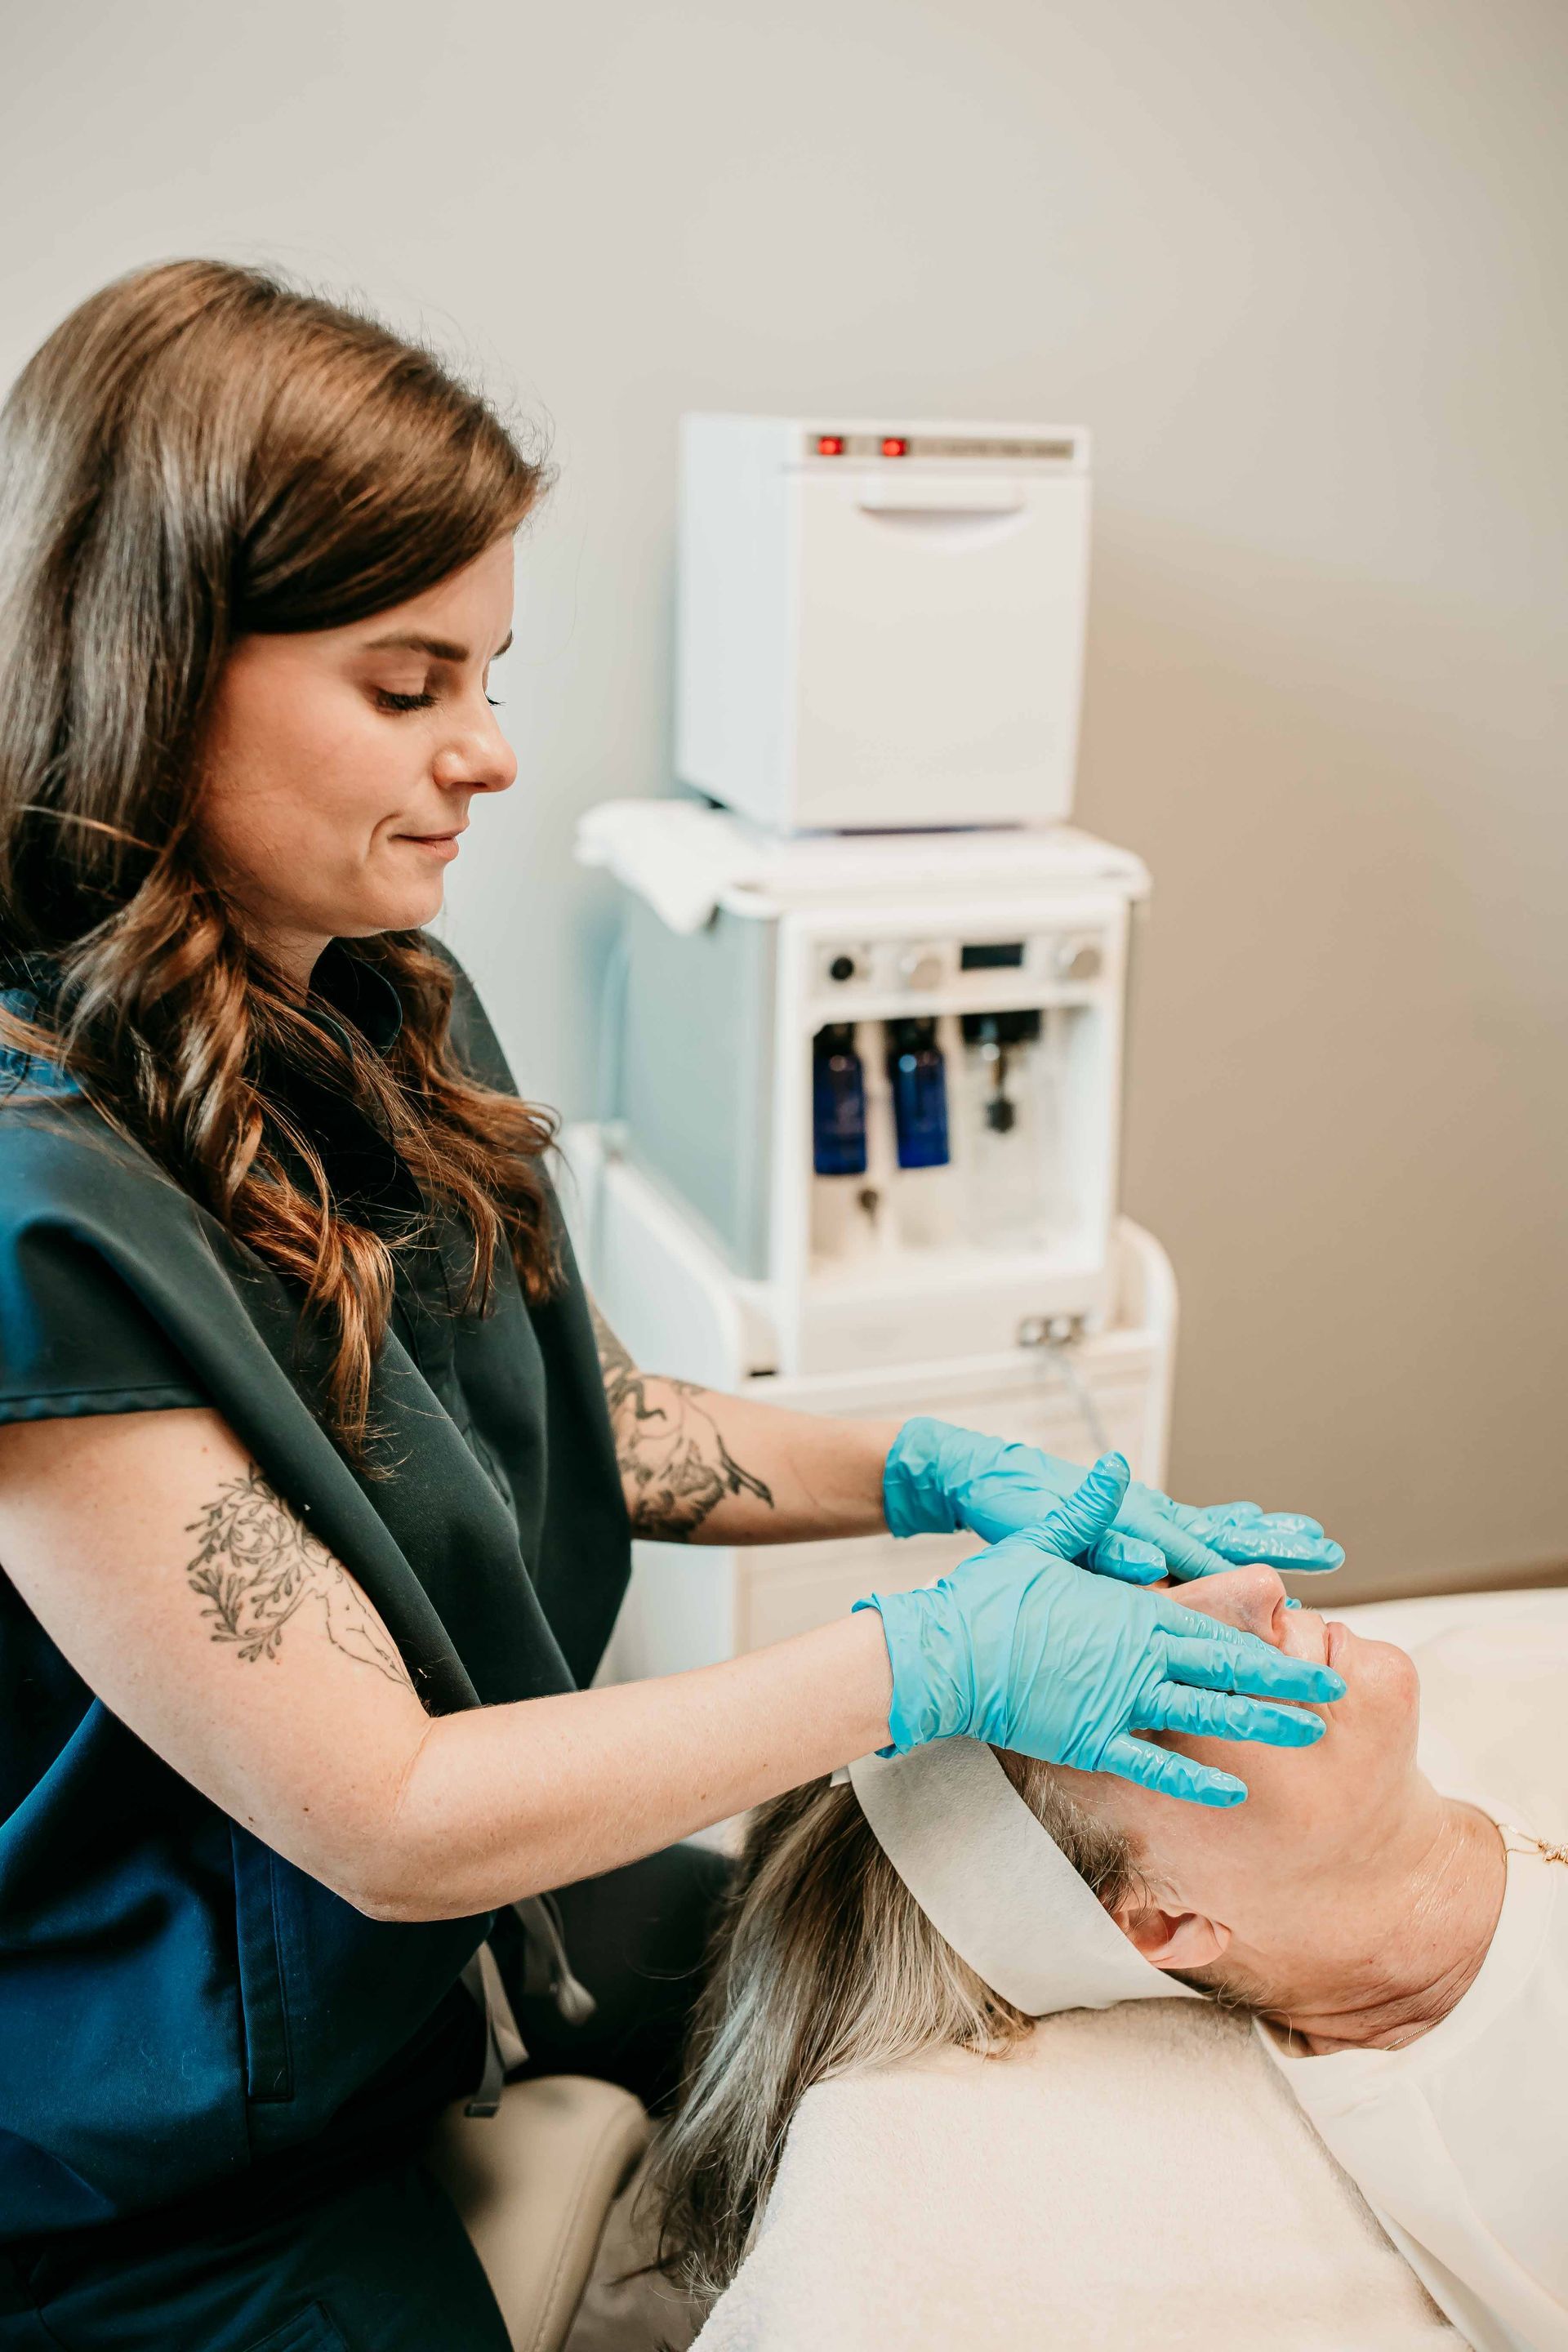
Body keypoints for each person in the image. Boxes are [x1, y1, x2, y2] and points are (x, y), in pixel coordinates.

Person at [0, 260, 1344, 2351]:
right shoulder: (30, 1206)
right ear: (156, 663)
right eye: (408, 683)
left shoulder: (364, 997)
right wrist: (926, 1660)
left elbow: (592, 1419)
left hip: (473, 1935)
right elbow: (388, 1810)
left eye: (492, 673)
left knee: (933, 1986)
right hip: (158, 2123)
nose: (492, 753)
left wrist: (942, 1470)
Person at [648, 1492, 1568, 2350]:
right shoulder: (1509, 2148)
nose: (1257, 1590)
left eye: (1165, 1592)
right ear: (1163, 1921)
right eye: (1163, 1681)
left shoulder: (1489, 1679)